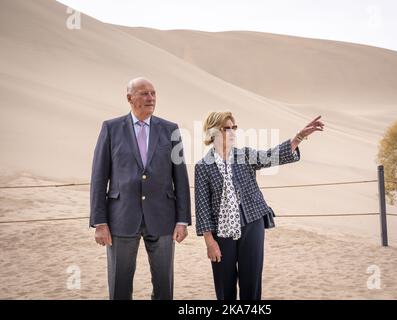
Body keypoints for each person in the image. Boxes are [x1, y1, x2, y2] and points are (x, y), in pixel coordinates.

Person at [195, 111, 324, 300]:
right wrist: (209, 241)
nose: (231, 132)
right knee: (224, 282)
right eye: (226, 128)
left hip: (252, 222)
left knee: (251, 279)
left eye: (234, 128)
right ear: (213, 132)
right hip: (221, 232)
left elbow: (272, 156)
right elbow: (202, 207)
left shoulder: (245, 155)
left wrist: (299, 137)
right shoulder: (203, 166)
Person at [90, 77, 191, 300]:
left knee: (164, 286)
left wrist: (182, 220)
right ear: (129, 98)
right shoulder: (111, 128)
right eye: (144, 93)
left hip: (163, 217)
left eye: (153, 93)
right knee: (120, 286)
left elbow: (180, 178)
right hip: (121, 218)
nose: (150, 98)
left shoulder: (170, 129)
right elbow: (99, 177)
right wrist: (100, 222)